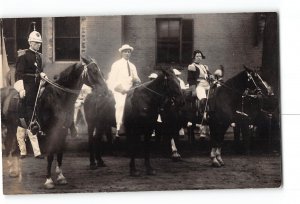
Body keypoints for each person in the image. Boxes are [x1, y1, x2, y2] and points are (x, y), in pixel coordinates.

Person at [14, 29, 46, 159]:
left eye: (39, 43)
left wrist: (42, 75)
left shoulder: (39, 56)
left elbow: (38, 71)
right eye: (36, 43)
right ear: (30, 43)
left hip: (37, 87)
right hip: (27, 88)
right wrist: (21, 89)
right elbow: (18, 74)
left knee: (34, 115)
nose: (38, 45)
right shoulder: (23, 56)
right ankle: (29, 151)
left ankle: (34, 150)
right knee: (27, 119)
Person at [107, 44, 141, 137]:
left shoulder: (132, 66)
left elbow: (136, 78)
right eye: (125, 51)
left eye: (129, 52)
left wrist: (137, 81)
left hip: (131, 90)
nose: (127, 53)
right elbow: (112, 80)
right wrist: (120, 89)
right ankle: (119, 127)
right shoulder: (116, 64)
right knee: (121, 105)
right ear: (121, 53)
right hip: (119, 90)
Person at [187, 50, 213, 118]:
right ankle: (203, 115)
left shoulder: (204, 66)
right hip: (199, 84)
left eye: (200, 56)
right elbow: (190, 79)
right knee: (203, 97)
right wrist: (193, 89)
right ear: (194, 57)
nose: (199, 57)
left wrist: (211, 76)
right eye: (197, 56)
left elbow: (209, 74)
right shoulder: (191, 66)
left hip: (207, 84)